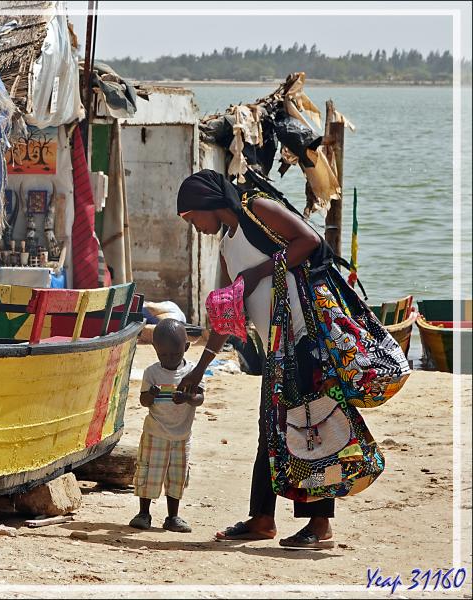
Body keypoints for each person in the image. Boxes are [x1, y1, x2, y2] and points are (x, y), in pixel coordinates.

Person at [176, 168, 336, 550]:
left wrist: (258, 273)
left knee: (308, 430)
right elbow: (229, 316)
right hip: (275, 350)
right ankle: (262, 519)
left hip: (305, 338)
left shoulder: (257, 209)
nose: (195, 227)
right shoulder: (228, 247)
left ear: (207, 204)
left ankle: (320, 525)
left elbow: (309, 240)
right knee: (270, 430)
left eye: (192, 218)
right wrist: (199, 370)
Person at [129, 318, 204, 533]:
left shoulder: (192, 372)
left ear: (186, 348)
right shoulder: (152, 372)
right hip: (155, 433)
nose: (169, 359)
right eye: (163, 355)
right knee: (149, 474)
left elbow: (200, 398)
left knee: (177, 477)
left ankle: (173, 517)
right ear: (155, 349)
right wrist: (150, 395)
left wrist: (189, 398)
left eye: (175, 354)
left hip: (182, 436)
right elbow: (143, 401)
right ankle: (144, 513)